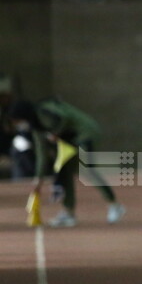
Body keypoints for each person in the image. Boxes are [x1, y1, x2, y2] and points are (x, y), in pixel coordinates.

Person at [10, 97, 127, 227]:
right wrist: (38, 180)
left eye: (18, 121)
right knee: (65, 171)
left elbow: (63, 118)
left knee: (86, 170)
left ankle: (114, 205)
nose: (18, 125)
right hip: (70, 140)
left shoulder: (44, 111)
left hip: (85, 134)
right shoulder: (36, 128)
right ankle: (68, 213)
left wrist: (55, 133)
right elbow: (41, 154)